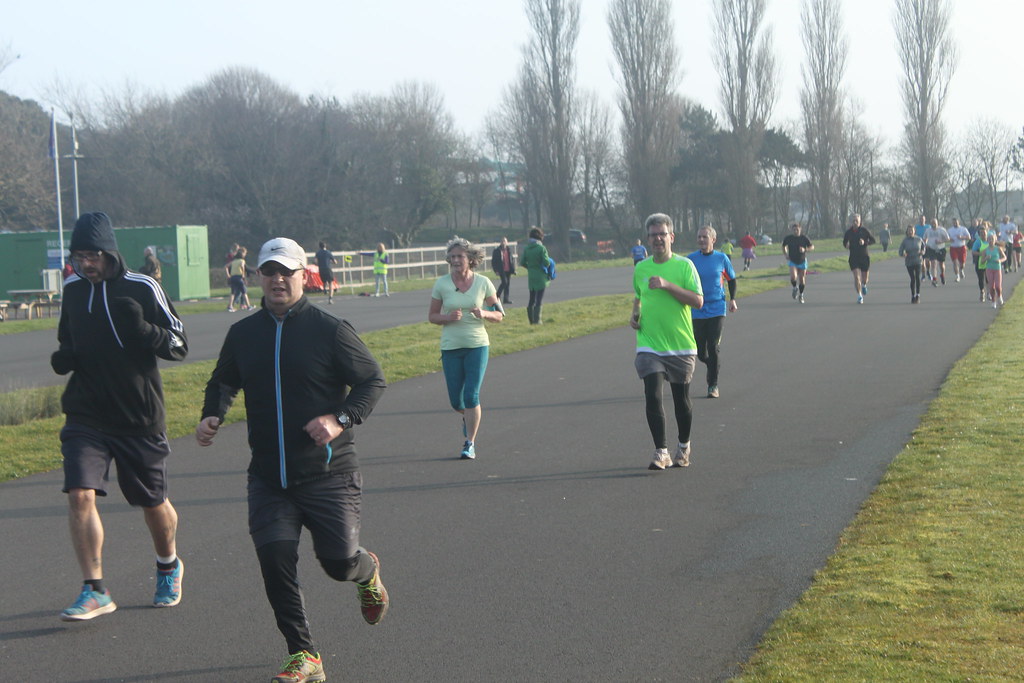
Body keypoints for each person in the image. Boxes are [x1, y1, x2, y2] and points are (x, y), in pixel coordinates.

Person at [195, 237, 389, 683]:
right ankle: (304, 655)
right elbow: (222, 381)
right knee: (276, 561)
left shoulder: (329, 329)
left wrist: (339, 419)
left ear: (305, 275)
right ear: (258, 276)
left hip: (327, 473)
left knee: (337, 562)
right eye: (269, 271)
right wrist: (212, 414)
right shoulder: (244, 334)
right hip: (268, 478)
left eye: (287, 271)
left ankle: (367, 570)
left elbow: (371, 381)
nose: (277, 279)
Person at [51, 212, 188, 621]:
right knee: (80, 493)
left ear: (109, 252)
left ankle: (168, 564)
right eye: (78, 256)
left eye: (92, 255)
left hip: (137, 414)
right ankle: (94, 589)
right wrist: (66, 356)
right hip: (86, 412)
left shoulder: (143, 286)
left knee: (152, 501)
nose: (84, 264)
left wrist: (146, 330)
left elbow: (179, 343)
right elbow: (67, 337)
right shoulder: (73, 288)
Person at [630, 213, 703, 471]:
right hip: (649, 343)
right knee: (652, 395)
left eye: (662, 234)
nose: (658, 239)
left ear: (671, 237)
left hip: (680, 343)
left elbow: (697, 301)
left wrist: (666, 285)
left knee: (680, 399)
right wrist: (635, 313)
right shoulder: (641, 268)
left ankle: (683, 446)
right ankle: (661, 451)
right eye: (653, 235)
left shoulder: (684, 267)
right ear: (648, 239)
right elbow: (638, 296)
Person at [428, 237, 504, 459]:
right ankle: (469, 417)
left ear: (470, 259)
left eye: (460, 256)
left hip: (477, 345)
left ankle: (469, 443)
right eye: (452, 257)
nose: (455, 260)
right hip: (451, 348)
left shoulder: (483, 283)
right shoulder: (442, 284)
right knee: (456, 401)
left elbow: (499, 314)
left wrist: (485, 313)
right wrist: (448, 317)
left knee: (471, 395)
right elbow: (432, 316)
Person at [687, 226, 737, 399]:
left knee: (713, 347)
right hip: (697, 309)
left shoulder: (721, 258)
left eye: (705, 237)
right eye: (699, 237)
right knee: (701, 352)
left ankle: (713, 385)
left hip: (717, 308)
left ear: (713, 240)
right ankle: (712, 366)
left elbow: (731, 279)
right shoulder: (690, 260)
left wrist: (733, 299)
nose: (701, 240)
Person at [520, 227, 551, 325]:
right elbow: (546, 263)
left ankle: (531, 320)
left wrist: (530, 267)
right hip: (541, 276)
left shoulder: (527, 248)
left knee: (531, 298)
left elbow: (522, 262)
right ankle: (537, 320)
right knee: (539, 299)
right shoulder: (541, 248)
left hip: (531, 276)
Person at [842, 213, 875, 304]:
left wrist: (865, 242)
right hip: (853, 257)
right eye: (853, 221)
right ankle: (859, 296)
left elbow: (873, 240)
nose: (855, 222)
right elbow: (844, 243)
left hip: (864, 256)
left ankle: (864, 285)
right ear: (851, 222)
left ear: (860, 222)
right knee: (857, 277)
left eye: (857, 221)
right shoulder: (848, 233)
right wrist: (846, 245)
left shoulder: (864, 231)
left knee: (865, 278)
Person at [781, 222, 814, 304]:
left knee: (802, 280)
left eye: (797, 230)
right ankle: (795, 288)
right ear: (792, 230)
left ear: (800, 229)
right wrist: (785, 254)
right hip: (793, 261)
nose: (795, 231)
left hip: (802, 261)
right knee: (793, 277)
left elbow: (812, 247)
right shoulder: (788, 238)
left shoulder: (804, 238)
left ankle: (801, 294)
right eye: (794, 230)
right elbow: (783, 246)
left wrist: (805, 250)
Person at [898, 224, 926, 304]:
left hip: (918, 261)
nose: (910, 232)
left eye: (912, 230)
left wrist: (922, 252)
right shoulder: (905, 241)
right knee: (912, 279)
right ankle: (913, 295)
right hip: (909, 262)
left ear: (914, 231)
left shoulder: (919, 239)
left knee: (917, 277)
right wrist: (903, 254)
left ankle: (918, 295)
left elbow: (924, 248)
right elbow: (900, 251)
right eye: (909, 230)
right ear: (907, 232)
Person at [225, 247, 255, 312]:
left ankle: (230, 306)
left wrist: (228, 275)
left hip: (232, 277)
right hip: (239, 277)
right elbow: (242, 266)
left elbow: (226, 266)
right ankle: (248, 306)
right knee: (244, 292)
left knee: (233, 292)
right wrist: (243, 275)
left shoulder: (233, 261)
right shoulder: (242, 261)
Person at [983, 230, 1007, 308]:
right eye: (989, 239)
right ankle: (993, 301)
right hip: (989, 269)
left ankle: (1000, 297)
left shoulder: (998, 249)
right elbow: (982, 261)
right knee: (991, 286)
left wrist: (1000, 260)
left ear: (995, 240)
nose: (991, 241)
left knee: (998, 286)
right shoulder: (985, 250)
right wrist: (986, 258)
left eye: (992, 239)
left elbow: (1005, 257)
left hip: (997, 269)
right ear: (987, 240)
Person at [923, 218, 950, 286]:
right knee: (933, 263)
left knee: (941, 265)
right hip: (931, 249)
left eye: (934, 223)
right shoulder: (928, 230)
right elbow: (924, 238)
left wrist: (941, 241)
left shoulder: (942, 230)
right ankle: (934, 279)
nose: (933, 225)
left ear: (937, 223)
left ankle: (942, 274)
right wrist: (926, 244)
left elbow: (948, 239)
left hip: (941, 249)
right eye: (932, 223)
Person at [491, 236, 516, 304]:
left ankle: (506, 299)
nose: (503, 242)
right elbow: (494, 262)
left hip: (508, 270)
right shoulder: (497, 251)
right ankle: (496, 296)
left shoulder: (509, 250)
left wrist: (513, 269)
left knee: (507, 284)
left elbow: (511, 260)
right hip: (501, 270)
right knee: (504, 282)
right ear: (500, 242)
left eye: (504, 241)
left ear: (507, 242)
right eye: (502, 241)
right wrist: (496, 270)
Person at [947, 218, 971, 282]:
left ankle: (961, 270)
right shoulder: (950, 230)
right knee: (955, 262)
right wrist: (949, 239)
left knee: (962, 263)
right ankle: (957, 276)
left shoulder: (963, 229)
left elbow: (969, 237)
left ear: (958, 222)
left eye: (956, 222)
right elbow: (946, 237)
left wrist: (962, 237)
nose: (955, 223)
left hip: (961, 247)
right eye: (953, 222)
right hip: (953, 247)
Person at [971, 223, 990, 302]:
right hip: (980, 262)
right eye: (981, 233)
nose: (983, 235)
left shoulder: (990, 240)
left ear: (987, 232)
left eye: (984, 233)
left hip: (989, 262)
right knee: (981, 279)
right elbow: (973, 252)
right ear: (979, 234)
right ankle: (982, 292)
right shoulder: (978, 242)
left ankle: (989, 293)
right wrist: (981, 253)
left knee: (988, 278)